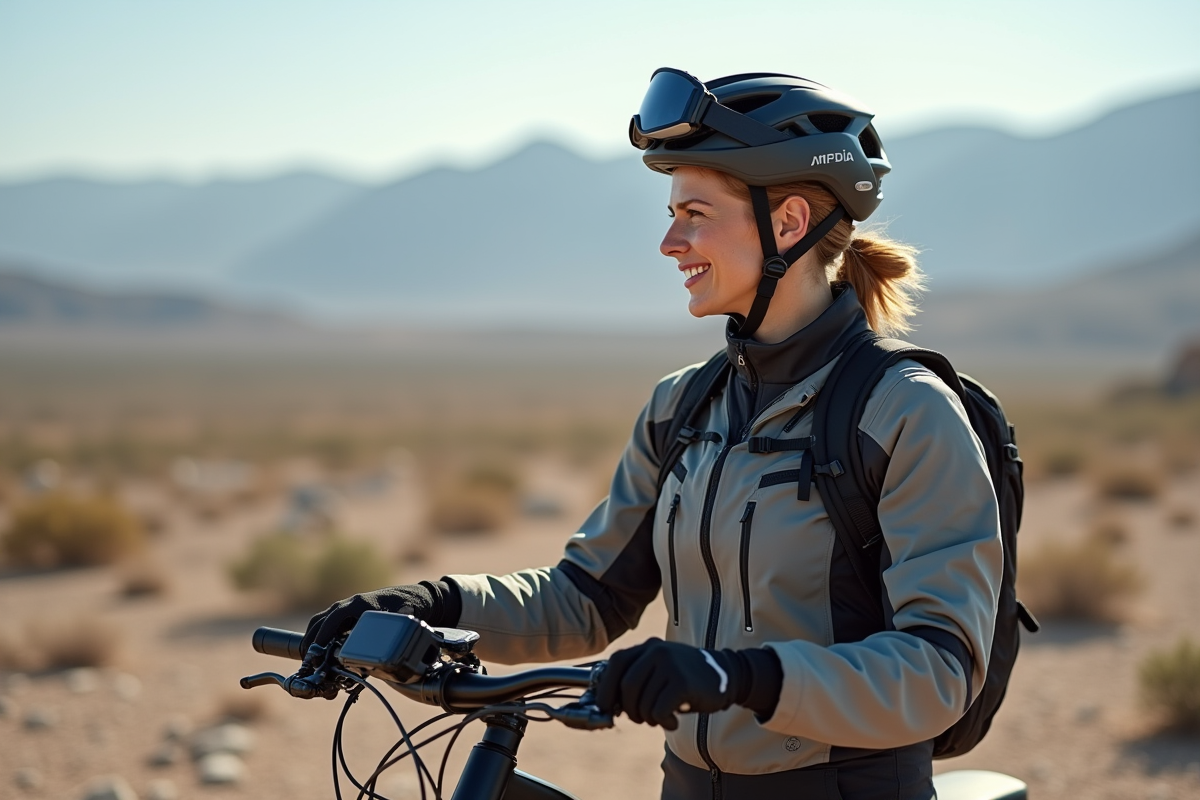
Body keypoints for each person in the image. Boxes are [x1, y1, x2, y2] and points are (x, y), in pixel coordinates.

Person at [301, 70, 1002, 800]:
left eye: (695, 213)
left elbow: (939, 669)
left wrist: (739, 677)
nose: (670, 241)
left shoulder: (904, 413)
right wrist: (429, 602)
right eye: (672, 214)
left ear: (788, 224)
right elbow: (585, 598)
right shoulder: (684, 407)